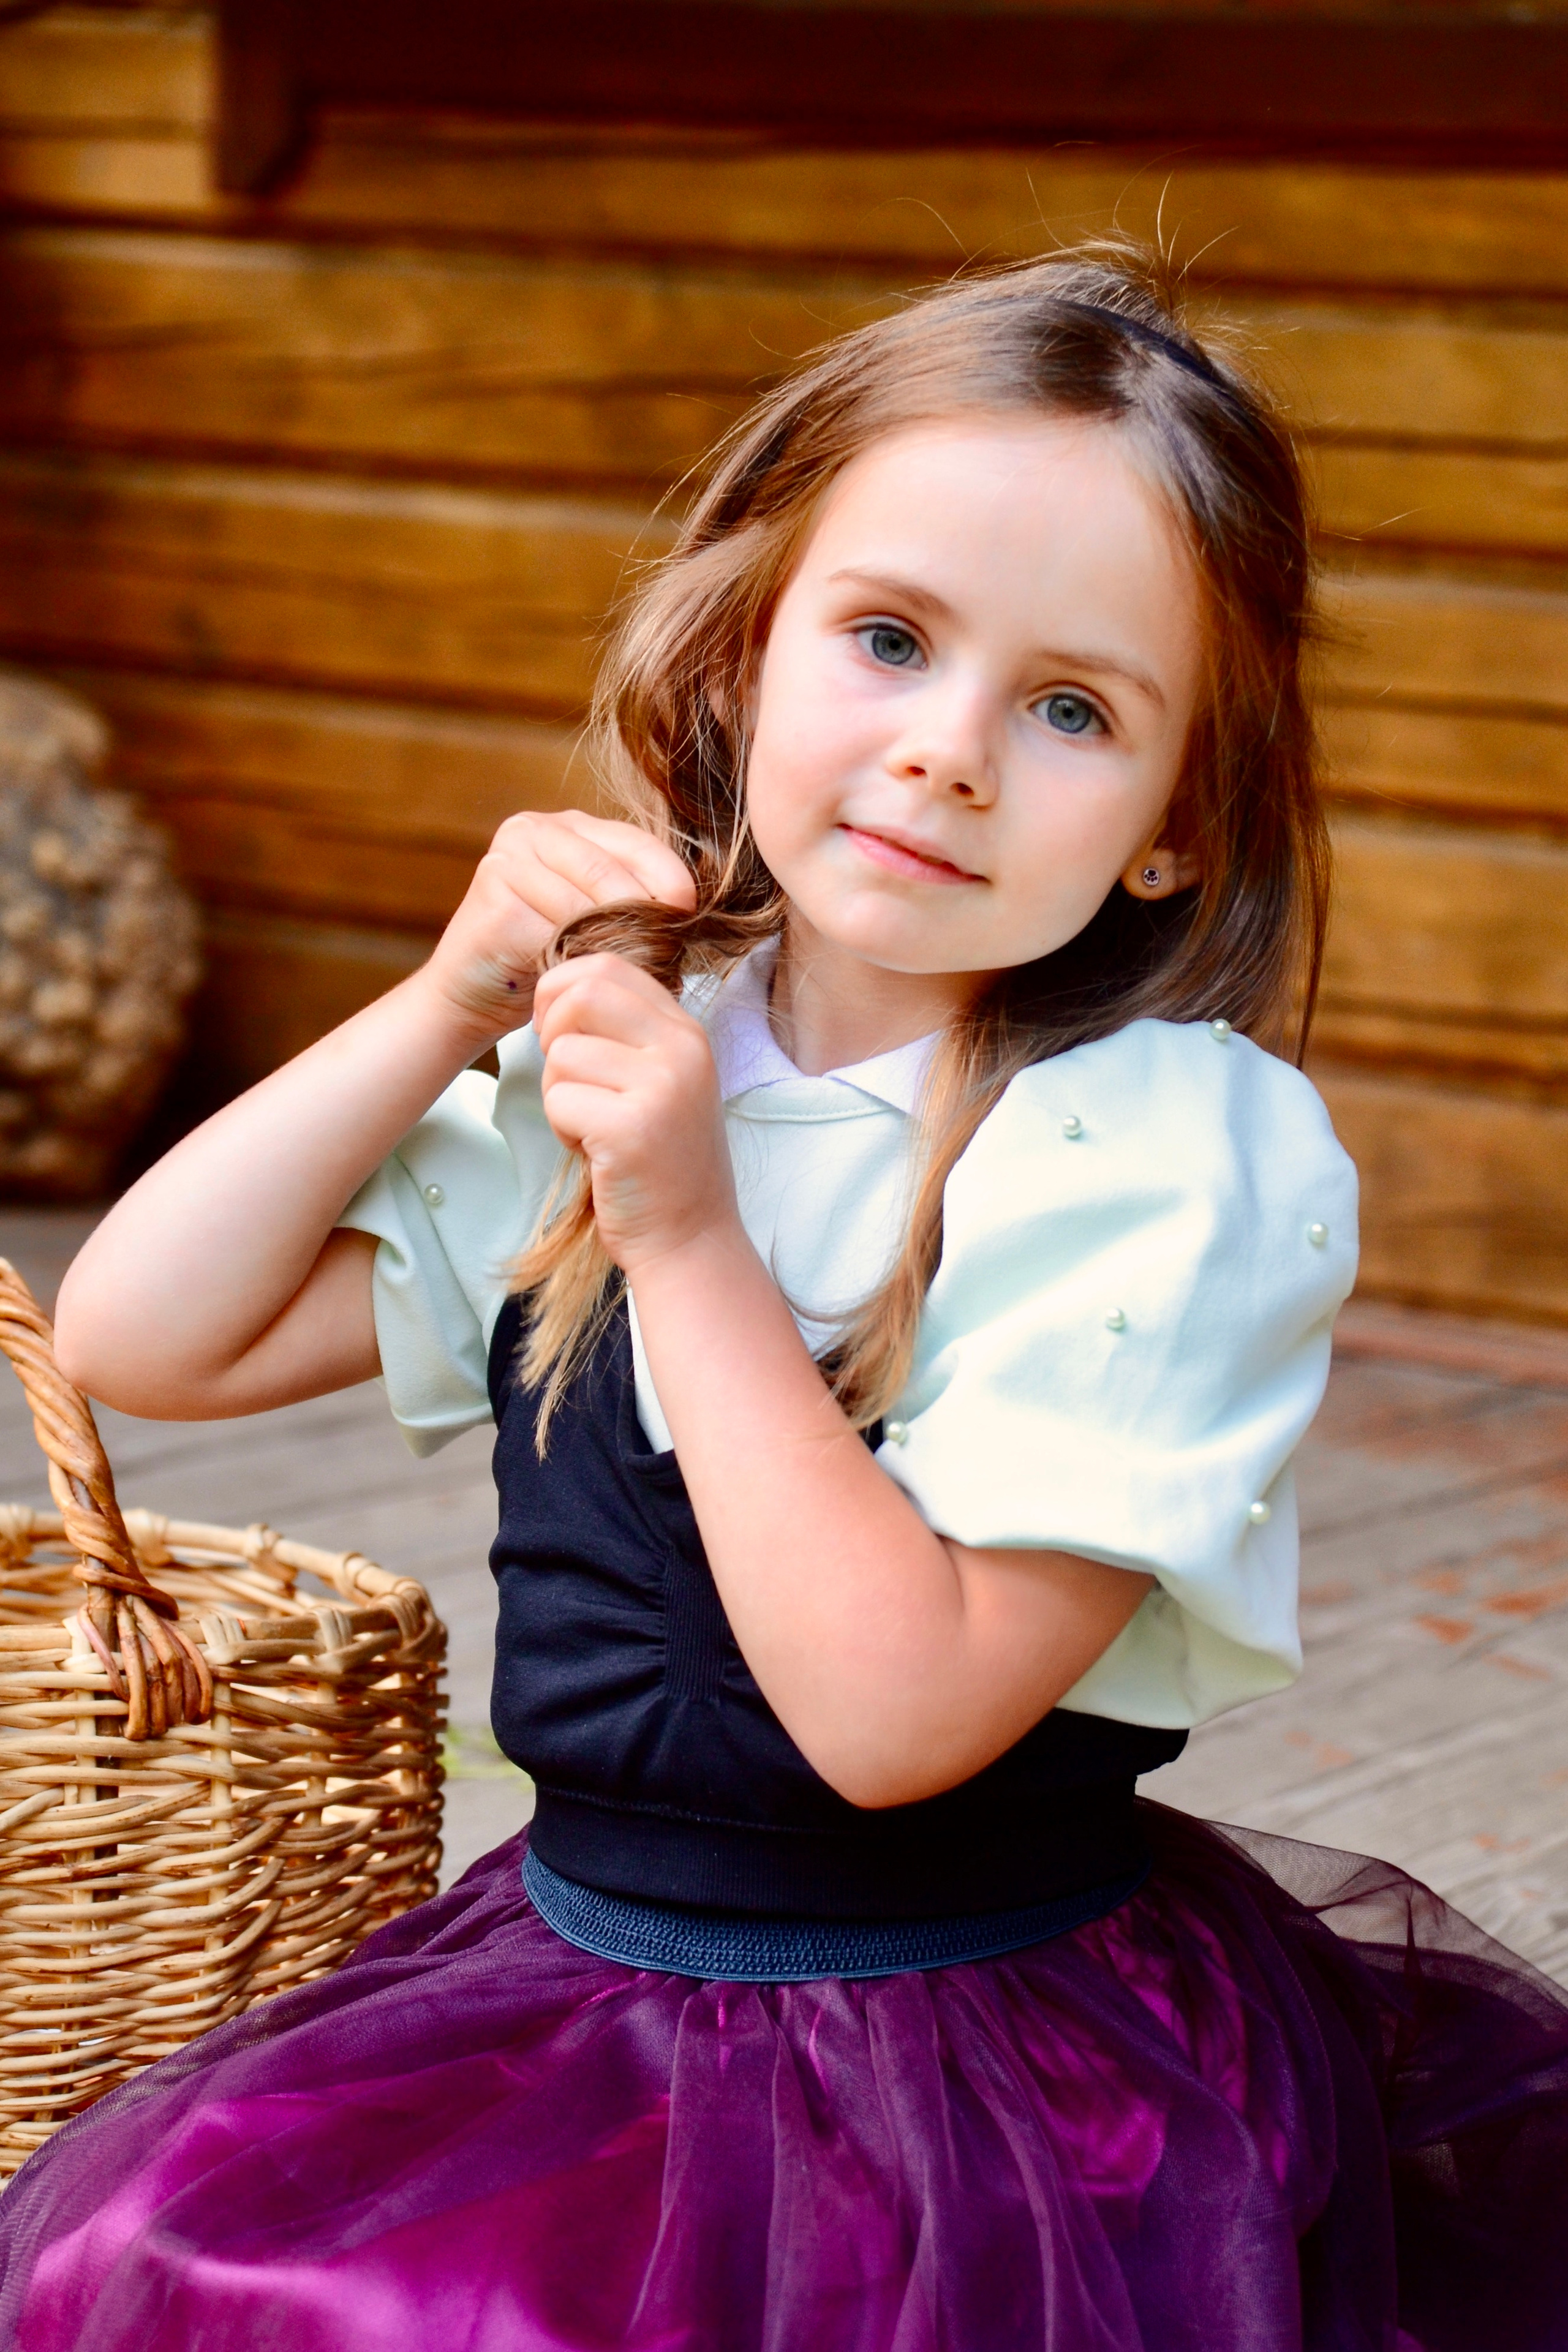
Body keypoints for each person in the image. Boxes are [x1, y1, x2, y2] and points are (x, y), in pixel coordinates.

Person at [1, 247, 1564, 2352]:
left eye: (1075, 708)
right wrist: (446, 996)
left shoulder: (1163, 1159)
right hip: (574, 1973)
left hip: (969, 2061)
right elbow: (137, 1337)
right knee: (176, 2270)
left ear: (1181, 825)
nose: (949, 755)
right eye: (894, 639)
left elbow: (892, 1719)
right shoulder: (649, 1041)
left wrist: (691, 1236)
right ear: (745, 658)